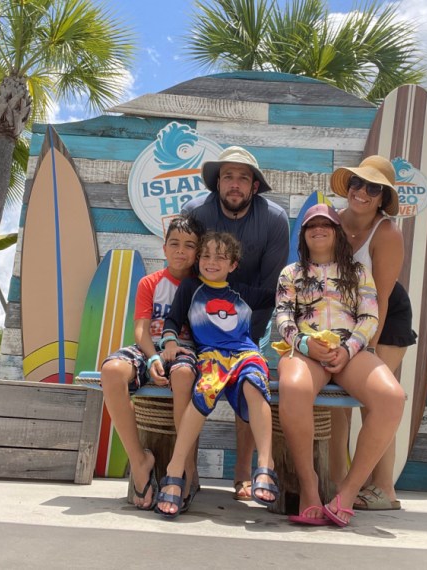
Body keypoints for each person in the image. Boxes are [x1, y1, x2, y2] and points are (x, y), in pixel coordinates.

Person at [275, 204, 405, 527]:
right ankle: (309, 488)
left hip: (350, 351)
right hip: (306, 349)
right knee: (293, 386)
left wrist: (348, 350)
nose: (318, 229)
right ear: (303, 236)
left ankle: (347, 492)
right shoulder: (290, 274)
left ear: (337, 233)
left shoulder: (359, 273)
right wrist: (305, 344)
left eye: (326, 225)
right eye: (310, 226)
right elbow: (282, 316)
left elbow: (370, 317)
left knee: (392, 398)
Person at [181, 145, 289, 500]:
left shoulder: (274, 219)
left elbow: (269, 288)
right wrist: (192, 334)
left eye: (244, 177)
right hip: (196, 326)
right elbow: (184, 272)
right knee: (191, 382)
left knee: (251, 379)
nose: (235, 184)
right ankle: (186, 471)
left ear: (255, 186)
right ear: (217, 182)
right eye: (228, 175)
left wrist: (241, 342)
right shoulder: (195, 211)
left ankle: (245, 473)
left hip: (247, 324)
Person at [155, 231, 279, 518]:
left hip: (245, 353)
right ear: (198, 259)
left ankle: (265, 463)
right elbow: (173, 319)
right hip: (211, 355)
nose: (212, 262)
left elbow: (280, 296)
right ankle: (175, 468)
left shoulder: (242, 292)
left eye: (220, 257)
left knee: (254, 383)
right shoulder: (190, 287)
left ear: (233, 265)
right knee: (205, 391)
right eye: (206, 255)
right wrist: (170, 341)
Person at [328, 155, 417, 511]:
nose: (361, 192)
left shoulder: (388, 233)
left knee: (375, 399)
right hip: (338, 317)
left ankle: (384, 489)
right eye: (356, 183)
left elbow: (379, 299)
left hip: (385, 316)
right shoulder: (330, 220)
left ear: (383, 198)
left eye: (372, 188)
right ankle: (337, 482)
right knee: (335, 404)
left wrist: (365, 352)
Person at [98, 214, 204, 511]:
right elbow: (142, 329)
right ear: (164, 248)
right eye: (174, 244)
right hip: (150, 349)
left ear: (198, 251)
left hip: (185, 352)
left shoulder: (201, 286)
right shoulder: (150, 283)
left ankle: (184, 467)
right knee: (111, 370)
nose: (181, 250)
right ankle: (139, 460)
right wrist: (153, 356)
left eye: (189, 245)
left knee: (183, 376)